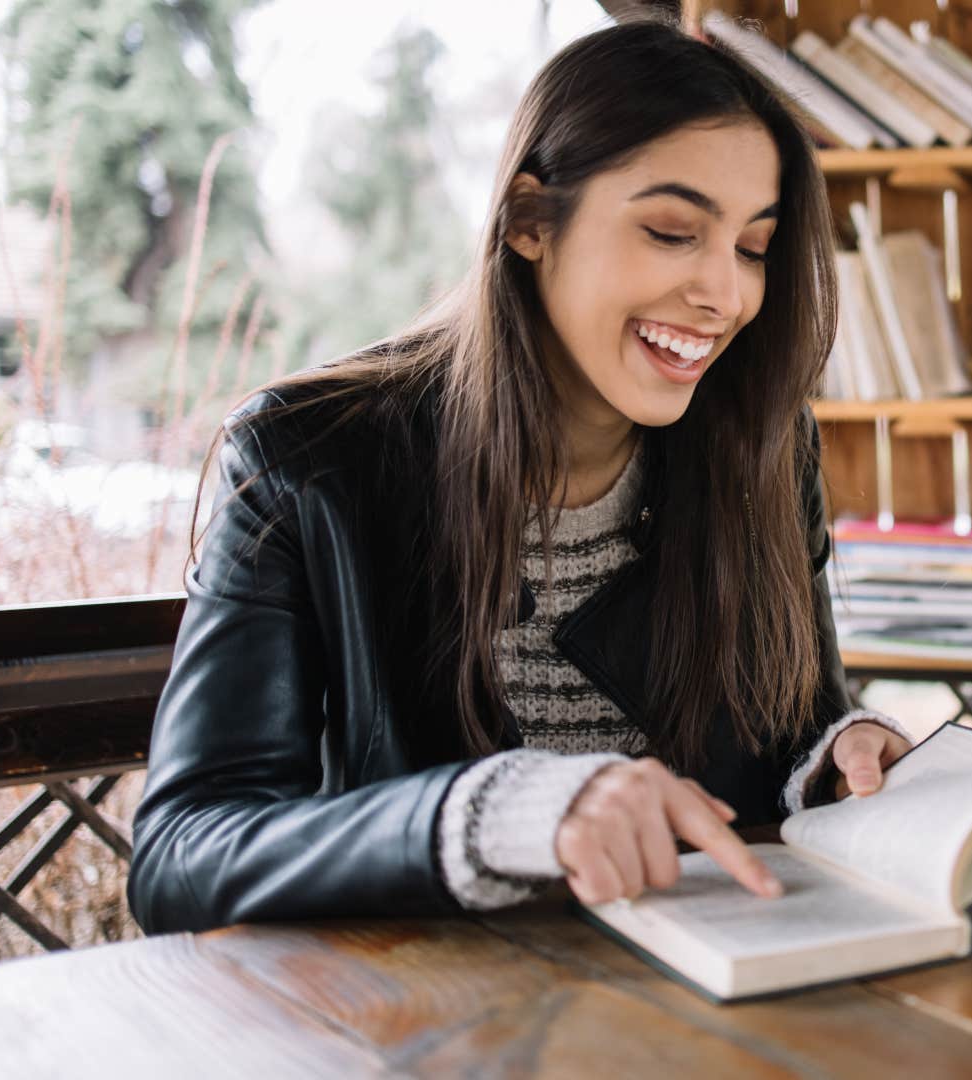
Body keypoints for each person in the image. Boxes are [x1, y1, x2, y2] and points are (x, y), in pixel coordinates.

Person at [127, 20, 912, 935]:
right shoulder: (306, 458)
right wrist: (493, 815)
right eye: (672, 232)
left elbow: (796, 732)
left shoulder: (763, 448)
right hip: (430, 1000)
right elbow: (182, 856)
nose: (725, 295)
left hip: (722, 983)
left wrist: (835, 759)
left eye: (752, 247)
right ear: (530, 221)